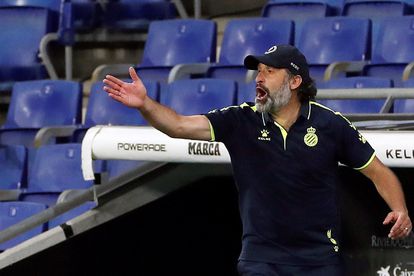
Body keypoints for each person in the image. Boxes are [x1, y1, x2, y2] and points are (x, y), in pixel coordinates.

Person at [103, 44, 412, 275]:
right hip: (261, 259)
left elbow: (377, 170)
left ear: (294, 82)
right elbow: (179, 125)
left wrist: (399, 209)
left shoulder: (331, 124)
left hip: (319, 260)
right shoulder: (240, 120)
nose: (259, 78)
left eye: (269, 71)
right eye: (258, 71)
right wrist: (145, 104)